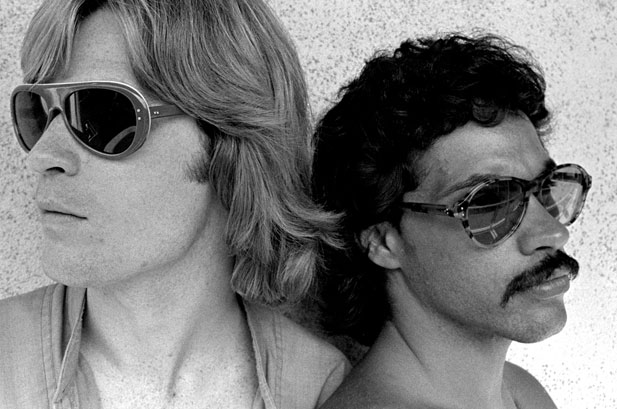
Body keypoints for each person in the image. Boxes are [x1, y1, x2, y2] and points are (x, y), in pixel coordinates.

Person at [0, 0, 350, 408]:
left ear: (230, 144)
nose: (43, 155)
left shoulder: (320, 392)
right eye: (38, 112)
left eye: (102, 115)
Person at [312, 34, 592, 409]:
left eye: (546, 188)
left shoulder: (520, 392)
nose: (554, 233)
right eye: (490, 202)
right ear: (382, 241)